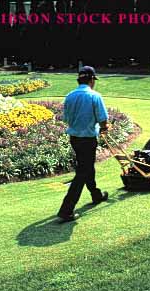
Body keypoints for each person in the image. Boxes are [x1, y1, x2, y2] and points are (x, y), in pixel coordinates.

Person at [57, 66, 110, 223]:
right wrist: (105, 127)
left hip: (74, 138)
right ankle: (66, 210)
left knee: (86, 168)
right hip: (88, 139)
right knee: (82, 172)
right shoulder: (94, 96)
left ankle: (96, 195)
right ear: (92, 79)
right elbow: (103, 120)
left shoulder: (69, 96)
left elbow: (66, 119)